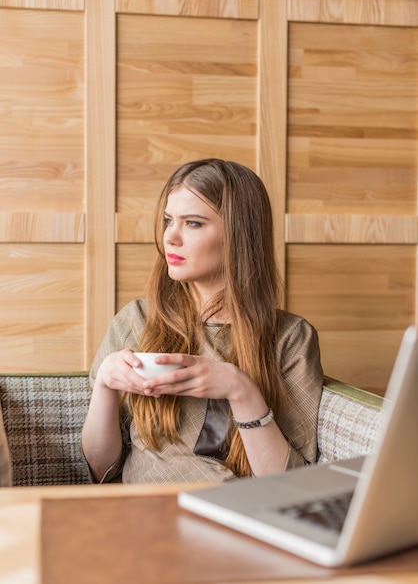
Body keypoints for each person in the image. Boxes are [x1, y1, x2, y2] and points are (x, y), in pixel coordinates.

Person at [82, 158, 324, 484]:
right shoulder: (136, 321)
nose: (170, 237)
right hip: (143, 515)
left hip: (238, 515)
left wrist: (241, 391)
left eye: (193, 223)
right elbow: (100, 469)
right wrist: (105, 384)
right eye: (169, 220)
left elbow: (295, 484)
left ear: (240, 235)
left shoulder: (290, 338)